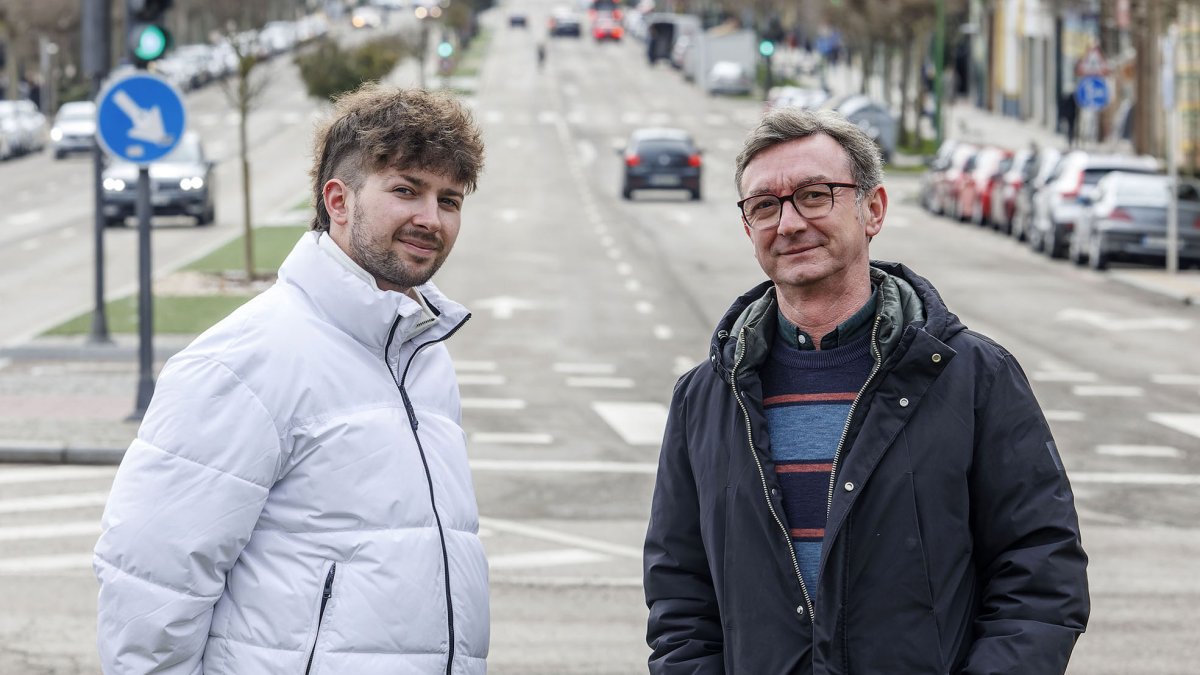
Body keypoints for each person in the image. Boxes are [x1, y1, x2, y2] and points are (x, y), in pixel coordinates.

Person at [643, 108, 1089, 674]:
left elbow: (1041, 570)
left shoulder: (974, 377)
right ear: (747, 227)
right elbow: (679, 592)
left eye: (814, 195)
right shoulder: (705, 398)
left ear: (872, 209)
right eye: (765, 206)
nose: (789, 223)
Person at [93, 84, 489, 674]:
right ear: (339, 200)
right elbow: (150, 594)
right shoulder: (243, 360)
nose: (430, 218)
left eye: (449, 200)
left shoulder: (422, 355)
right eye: (406, 190)